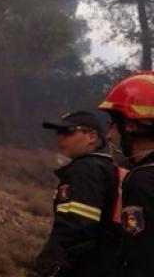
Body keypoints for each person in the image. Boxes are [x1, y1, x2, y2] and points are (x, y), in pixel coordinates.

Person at [29, 111, 122, 277]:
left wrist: (47, 269)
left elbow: (75, 229)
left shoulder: (85, 170)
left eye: (68, 131)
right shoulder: (104, 167)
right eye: (58, 132)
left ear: (91, 137)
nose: (59, 138)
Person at [99, 71, 154, 276]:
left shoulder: (142, 180)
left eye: (112, 125)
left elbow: (141, 257)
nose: (108, 136)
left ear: (130, 126)